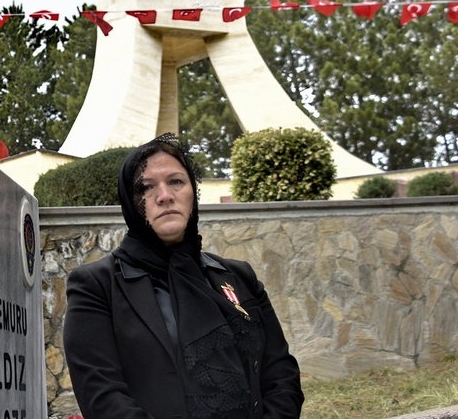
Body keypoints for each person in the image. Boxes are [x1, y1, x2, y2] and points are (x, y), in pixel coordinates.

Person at [63, 134, 303, 419]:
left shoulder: (238, 276)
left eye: (176, 181)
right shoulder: (97, 286)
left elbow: (280, 373)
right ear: (130, 201)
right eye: (146, 187)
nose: (165, 195)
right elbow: (103, 396)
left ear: (193, 193)